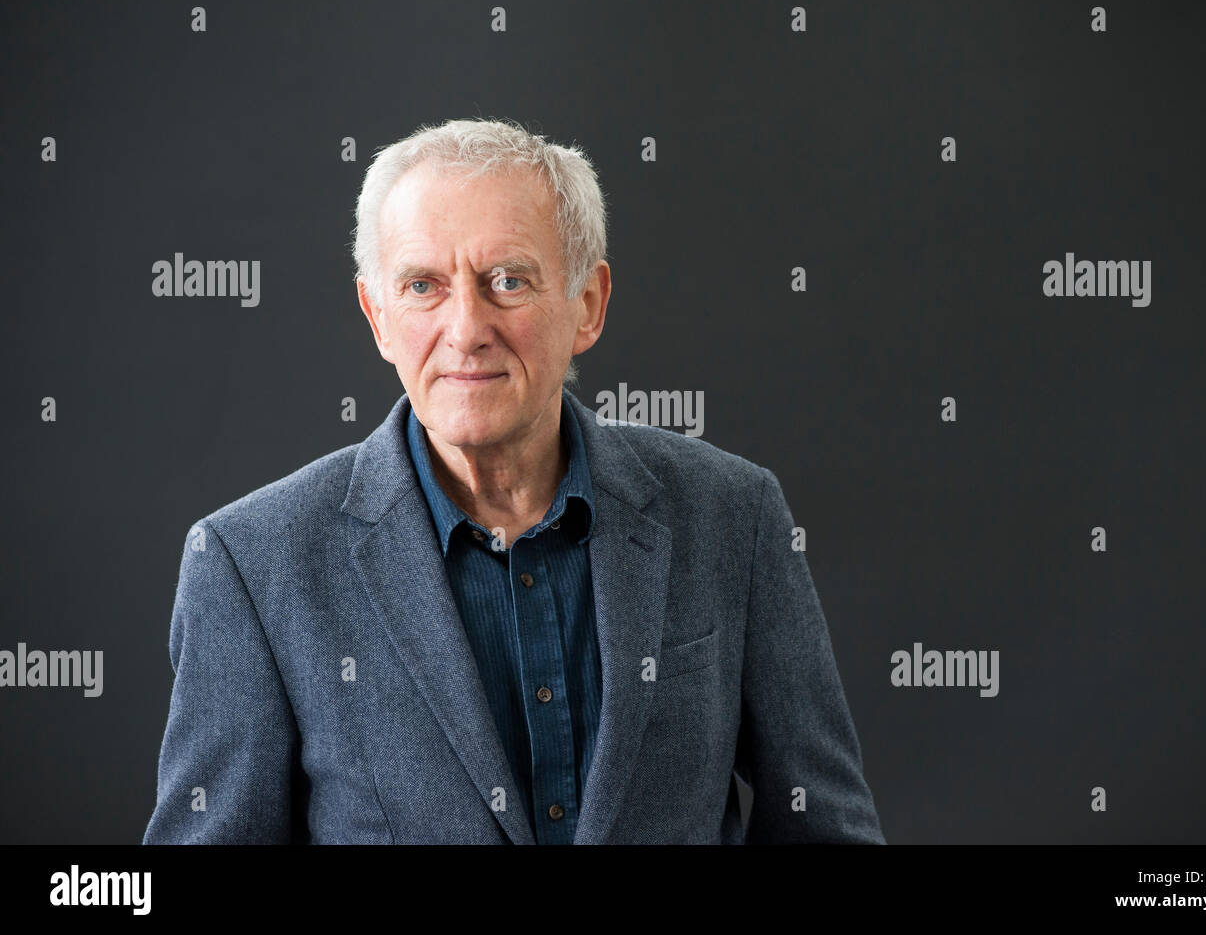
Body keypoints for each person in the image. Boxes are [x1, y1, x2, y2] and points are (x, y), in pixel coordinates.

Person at [143, 117, 885, 844]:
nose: (466, 328)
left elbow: (826, 827)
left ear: (587, 304)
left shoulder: (734, 515)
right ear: (378, 317)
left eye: (507, 280)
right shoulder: (251, 563)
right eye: (424, 285)